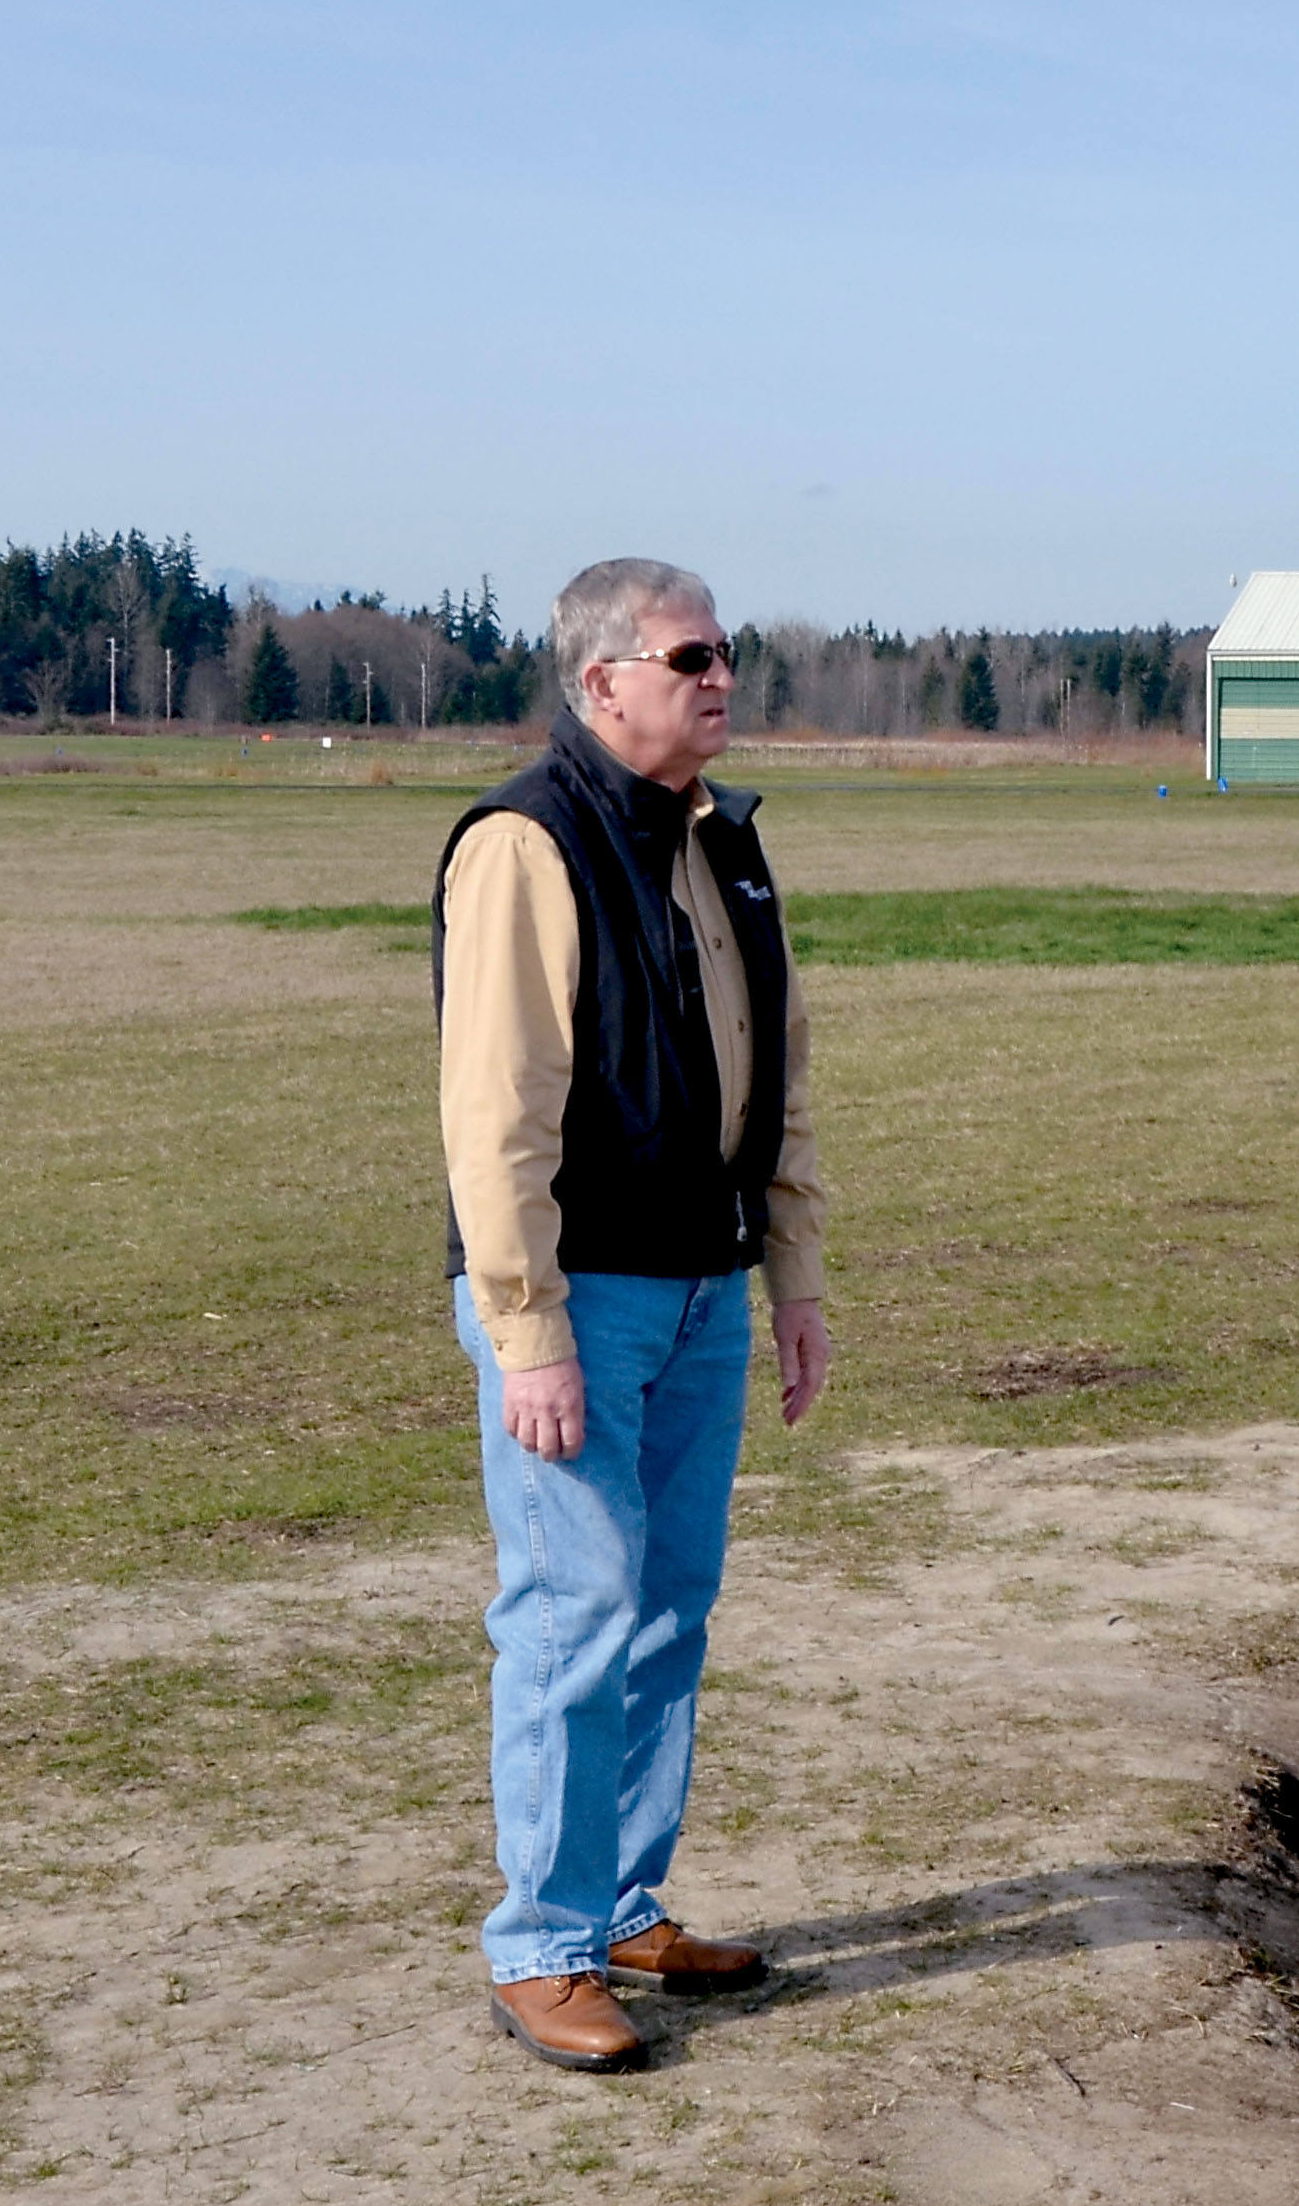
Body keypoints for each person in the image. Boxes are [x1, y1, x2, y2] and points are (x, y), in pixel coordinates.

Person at [434, 557, 834, 2073]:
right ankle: (541, 1945)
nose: (721, 675)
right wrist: (525, 1326)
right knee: (570, 1617)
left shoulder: (726, 841)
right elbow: (497, 1115)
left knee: (668, 1611)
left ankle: (620, 1903)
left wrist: (788, 1279)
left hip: (703, 1290)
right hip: (579, 1296)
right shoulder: (528, 844)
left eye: (731, 650)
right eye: (689, 655)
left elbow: (778, 1081)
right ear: (600, 683)